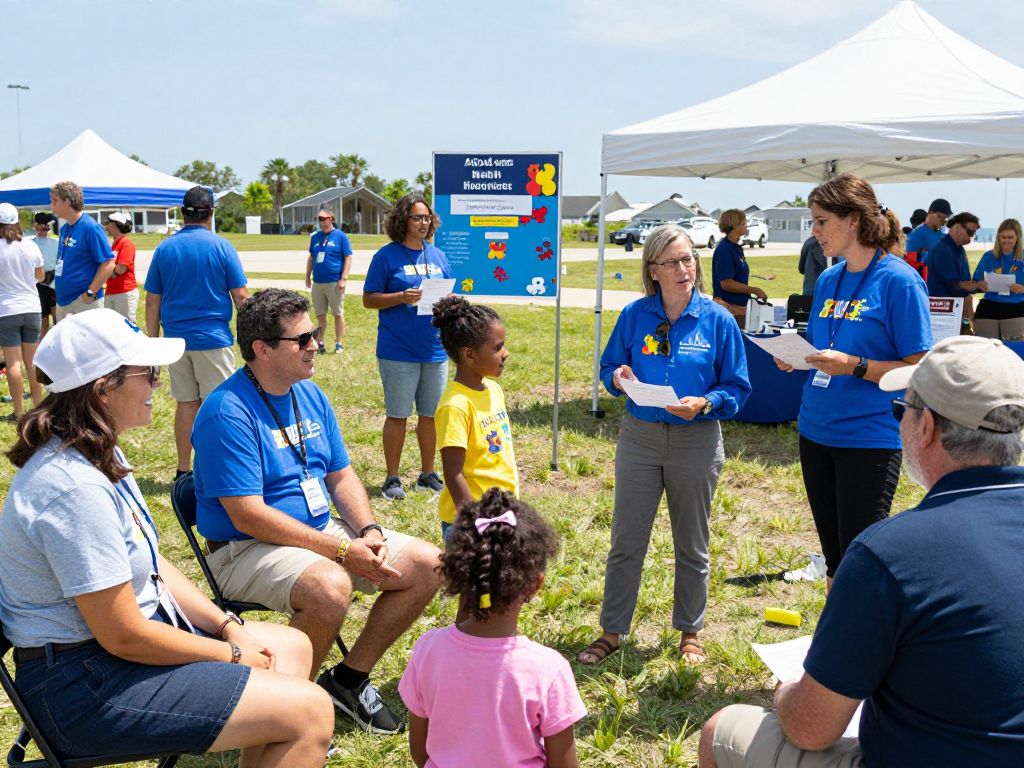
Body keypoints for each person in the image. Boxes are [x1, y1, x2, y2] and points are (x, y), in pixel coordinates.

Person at [0, 309, 334, 766]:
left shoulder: (97, 450)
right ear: (104, 388)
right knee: (310, 712)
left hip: (108, 659)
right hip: (83, 688)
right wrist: (232, 653)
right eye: (149, 373)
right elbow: (124, 636)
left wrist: (225, 624)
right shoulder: (73, 487)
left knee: (293, 646)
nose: (159, 384)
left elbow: (151, 562)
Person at [700, 335, 1024, 768]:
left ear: (926, 428)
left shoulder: (892, 552)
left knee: (721, 729)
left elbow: (810, 728)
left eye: (901, 410)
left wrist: (787, 693)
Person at [191, 288, 443, 735]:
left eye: (316, 334)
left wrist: (368, 529)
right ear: (262, 350)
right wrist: (342, 551)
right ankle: (287, 714)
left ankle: (346, 681)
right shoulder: (225, 412)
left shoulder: (309, 394)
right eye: (303, 339)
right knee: (329, 586)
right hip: (243, 548)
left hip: (318, 530)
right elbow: (248, 515)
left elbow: (341, 476)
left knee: (428, 565)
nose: (315, 346)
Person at [580, 223, 751, 666]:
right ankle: (612, 631)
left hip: (696, 440)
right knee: (626, 541)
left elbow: (738, 386)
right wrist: (618, 378)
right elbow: (609, 367)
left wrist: (708, 401)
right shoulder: (635, 316)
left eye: (689, 259)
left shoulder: (717, 320)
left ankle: (690, 631)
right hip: (640, 438)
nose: (684, 268)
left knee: (691, 543)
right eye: (672, 262)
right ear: (653, 269)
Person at [775, 173, 932, 587]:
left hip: (868, 439)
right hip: (815, 430)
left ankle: (864, 648)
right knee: (834, 560)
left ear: (853, 221)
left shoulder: (899, 281)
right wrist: (799, 358)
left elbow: (919, 369)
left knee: (859, 561)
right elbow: (827, 345)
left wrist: (855, 365)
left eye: (821, 221)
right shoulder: (829, 279)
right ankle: (837, 647)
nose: (815, 231)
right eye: (813, 221)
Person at [399, 489, 586, 768]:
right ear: (536, 583)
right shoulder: (548, 669)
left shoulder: (428, 649)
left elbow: (420, 751)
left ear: (458, 571)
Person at [145, 186, 249, 477]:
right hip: (213, 340)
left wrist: (153, 347)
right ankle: (220, 469)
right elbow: (240, 297)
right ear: (211, 213)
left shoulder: (165, 248)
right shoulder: (222, 246)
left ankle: (183, 469)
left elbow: (152, 300)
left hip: (175, 341)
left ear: (183, 213)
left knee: (186, 404)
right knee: (219, 407)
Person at [363, 193, 453, 501]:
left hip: (435, 350)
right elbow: (368, 298)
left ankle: (428, 474)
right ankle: (392, 478)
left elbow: (448, 294)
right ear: (403, 220)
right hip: (398, 350)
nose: (424, 223)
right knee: (398, 414)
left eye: (427, 218)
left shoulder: (438, 256)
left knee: (430, 415)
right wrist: (401, 297)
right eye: (417, 217)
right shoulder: (386, 257)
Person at [431, 296, 517, 542]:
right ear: (469, 355)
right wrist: (476, 522)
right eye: (497, 347)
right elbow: (453, 473)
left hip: (501, 515)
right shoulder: (455, 405)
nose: (505, 353)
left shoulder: (493, 390)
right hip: (472, 524)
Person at [0, 203, 44, 418]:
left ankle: (18, 412)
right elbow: (41, 276)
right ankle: (39, 408)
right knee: (32, 362)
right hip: (32, 307)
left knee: (13, 363)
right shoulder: (30, 246)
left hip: (7, 309)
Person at [50, 181, 115, 320]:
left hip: (83, 301)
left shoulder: (90, 227)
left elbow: (109, 263)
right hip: (63, 301)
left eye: (55, 201)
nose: (52, 206)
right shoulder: (65, 228)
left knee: (88, 342)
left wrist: (91, 292)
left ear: (67, 202)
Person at [925, 211, 986, 332]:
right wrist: (979, 286)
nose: (970, 238)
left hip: (954, 313)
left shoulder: (959, 249)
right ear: (958, 227)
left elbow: (964, 283)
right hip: (943, 315)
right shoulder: (943, 250)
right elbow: (955, 285)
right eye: (970, 233)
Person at [303, 206, 352, 354]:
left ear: (331, 219)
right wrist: (307, 276)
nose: (322, 222)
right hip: (318, 283)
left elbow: (348, 257)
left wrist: (344, 278)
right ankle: (320, 342)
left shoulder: (340, 236)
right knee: (320, 315)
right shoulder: (315, 237)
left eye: (324, 218)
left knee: (337, 313)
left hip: (334, 282)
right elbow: (311, 257)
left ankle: (339, 343)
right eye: (319, 219)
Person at [972, 217, 1024, 340]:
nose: (1006, 241)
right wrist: (980, 284)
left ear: (1018, 238)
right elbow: (974, 282)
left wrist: (1022, 289)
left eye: (1010, 237)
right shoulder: (988, 256)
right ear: (998, 238)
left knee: (1013, 350)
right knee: (986, 347)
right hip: (989, 305)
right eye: (1003, 237)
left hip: (1016, 306)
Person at [711, 208, 766, 323]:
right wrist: (755, 290)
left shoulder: (736, 248)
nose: (746, 225)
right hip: (729, 309)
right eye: (743, 223)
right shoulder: (725, 249)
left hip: (739, 307)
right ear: (734, 225)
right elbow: (726, 283)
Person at [103, 212, 138, 320]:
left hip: (124, 292)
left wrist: (107, 264)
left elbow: (120, 270)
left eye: (107, 223)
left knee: (126, 328)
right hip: (112, 291)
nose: (105, 226)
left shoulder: (126, 243)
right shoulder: (115, 244)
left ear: (115, 224)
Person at [31, 212, 59, 336]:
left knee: (56, 313)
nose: (42, 231)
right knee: (42, 316)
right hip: (36, 283)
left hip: (53, 283)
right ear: (35, 226)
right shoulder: (29, 244)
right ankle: (42, 344)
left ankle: (59, 343)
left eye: (45, 227)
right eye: (40, 227)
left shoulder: (56, 243)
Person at [904, 197, 952, 265]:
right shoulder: (915, 235)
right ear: (930, 213)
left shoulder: (946, 234)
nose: (942, 220)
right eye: (939, 216)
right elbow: (911, 263)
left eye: (945, 218)